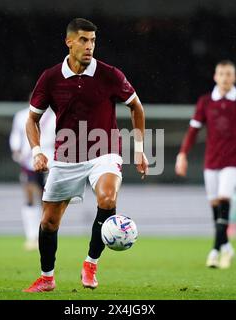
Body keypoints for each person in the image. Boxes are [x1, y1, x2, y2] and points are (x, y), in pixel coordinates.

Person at [23, 18, 148, 292]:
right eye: (83, 40)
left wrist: (139, 149)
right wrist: (36, 152)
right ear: (69, 42)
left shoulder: (110, 74)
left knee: (107, 197)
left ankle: (91, 263)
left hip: (104, 151)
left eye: (92, 40)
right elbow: (31, 120)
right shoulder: (51, 77)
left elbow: (136, 108)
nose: (89, 46)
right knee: (49, 222)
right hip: (65, 157)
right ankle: (47, 278)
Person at [175, 60, 236, 269]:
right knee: (216, 208)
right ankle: (227, 247)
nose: (225, 78)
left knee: (224, 199)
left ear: (234, 78)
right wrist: (182, 154)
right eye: (222, 74)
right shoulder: (205, 102)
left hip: (233, 163)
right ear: (215, 77)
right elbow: (193, 131)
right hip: (211, 162)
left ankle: (214, 251)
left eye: (229, 74)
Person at [9, 107, 56, 251]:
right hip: (30, 160)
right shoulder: (21, 115)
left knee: (46, 200)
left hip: (51, 162)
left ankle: (45, 236)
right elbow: (16, 135)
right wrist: (16, 150)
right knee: (29, 195)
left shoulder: (55, 116)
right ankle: (30, 236)